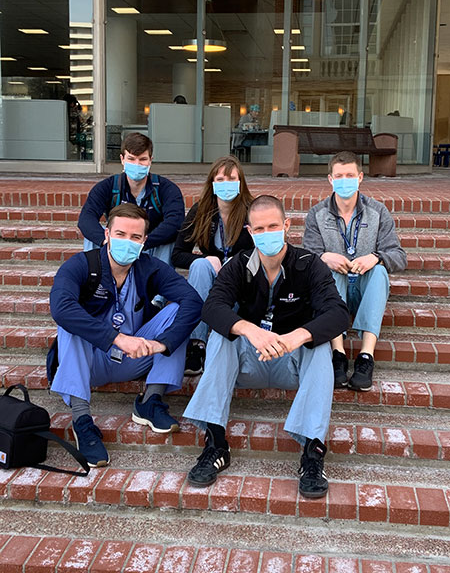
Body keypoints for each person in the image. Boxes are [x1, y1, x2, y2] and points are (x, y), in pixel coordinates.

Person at [183, 195, 349, 498]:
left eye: (273, 226)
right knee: (221, 335)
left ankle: (313, 453)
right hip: (250, 361)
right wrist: (250, 330)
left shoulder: (308, 264)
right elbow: (212, 307)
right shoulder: (238, 264)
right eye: (259, 229)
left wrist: (296, 337)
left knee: (319, 345)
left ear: (286, 225)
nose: (266, 233)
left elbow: (338, 313)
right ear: (250, 231)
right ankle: (216, 443)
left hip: (291, 362)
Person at [49, 203, 203, 468]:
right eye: (120, 234)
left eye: (135, 237)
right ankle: (82, 420)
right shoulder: (81, 265)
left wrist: (162, 343)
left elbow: (193, 301)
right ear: (107, 234)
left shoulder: (149, 267)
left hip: (133, 357)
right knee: (71, 323)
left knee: (179, 311)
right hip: (91, 362)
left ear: (144, 241)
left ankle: (151, 400)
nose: (127, 242)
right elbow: (60, 308)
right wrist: (117, 338)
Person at [302, 151, 407, 391]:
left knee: (379, 273)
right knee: (328, 271)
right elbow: (306, 257)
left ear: (360, 177)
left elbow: (399, 256)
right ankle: (338, 353)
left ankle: (365, 356)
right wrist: (323, 257)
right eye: (339, 176)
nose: (344, 180)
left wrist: (376, 257)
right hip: (333, 289)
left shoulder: (378, 211)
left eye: (350, 175)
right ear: (330, 179)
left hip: (364, 290)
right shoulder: (317, 214)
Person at [171, 155, 254, 375]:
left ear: (240, 182)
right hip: (210, 280)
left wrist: (239, 262)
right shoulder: (201, 210)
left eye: (232, 179)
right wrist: (205, 259)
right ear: (212, 183)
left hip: (241, 283)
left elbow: (265, 253)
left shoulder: (252, 210)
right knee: (199, 267)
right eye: (220, 179)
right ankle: (197, 345)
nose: (226, 184)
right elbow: (178, 255)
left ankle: (223, 343)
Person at [78, 132, 185, 291]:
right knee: (93, 234)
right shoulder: (107, 187)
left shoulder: (166, 188)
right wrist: (106, 241)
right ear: (122, 159)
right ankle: (95, 285)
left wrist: (142, 242)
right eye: (131, 159)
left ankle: (158, 294)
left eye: (142, 159)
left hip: (150, 244)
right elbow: (86, 219)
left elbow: (175, 221)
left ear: (150, 160)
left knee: (170, 238)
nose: (137, 164)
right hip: (117, 243)